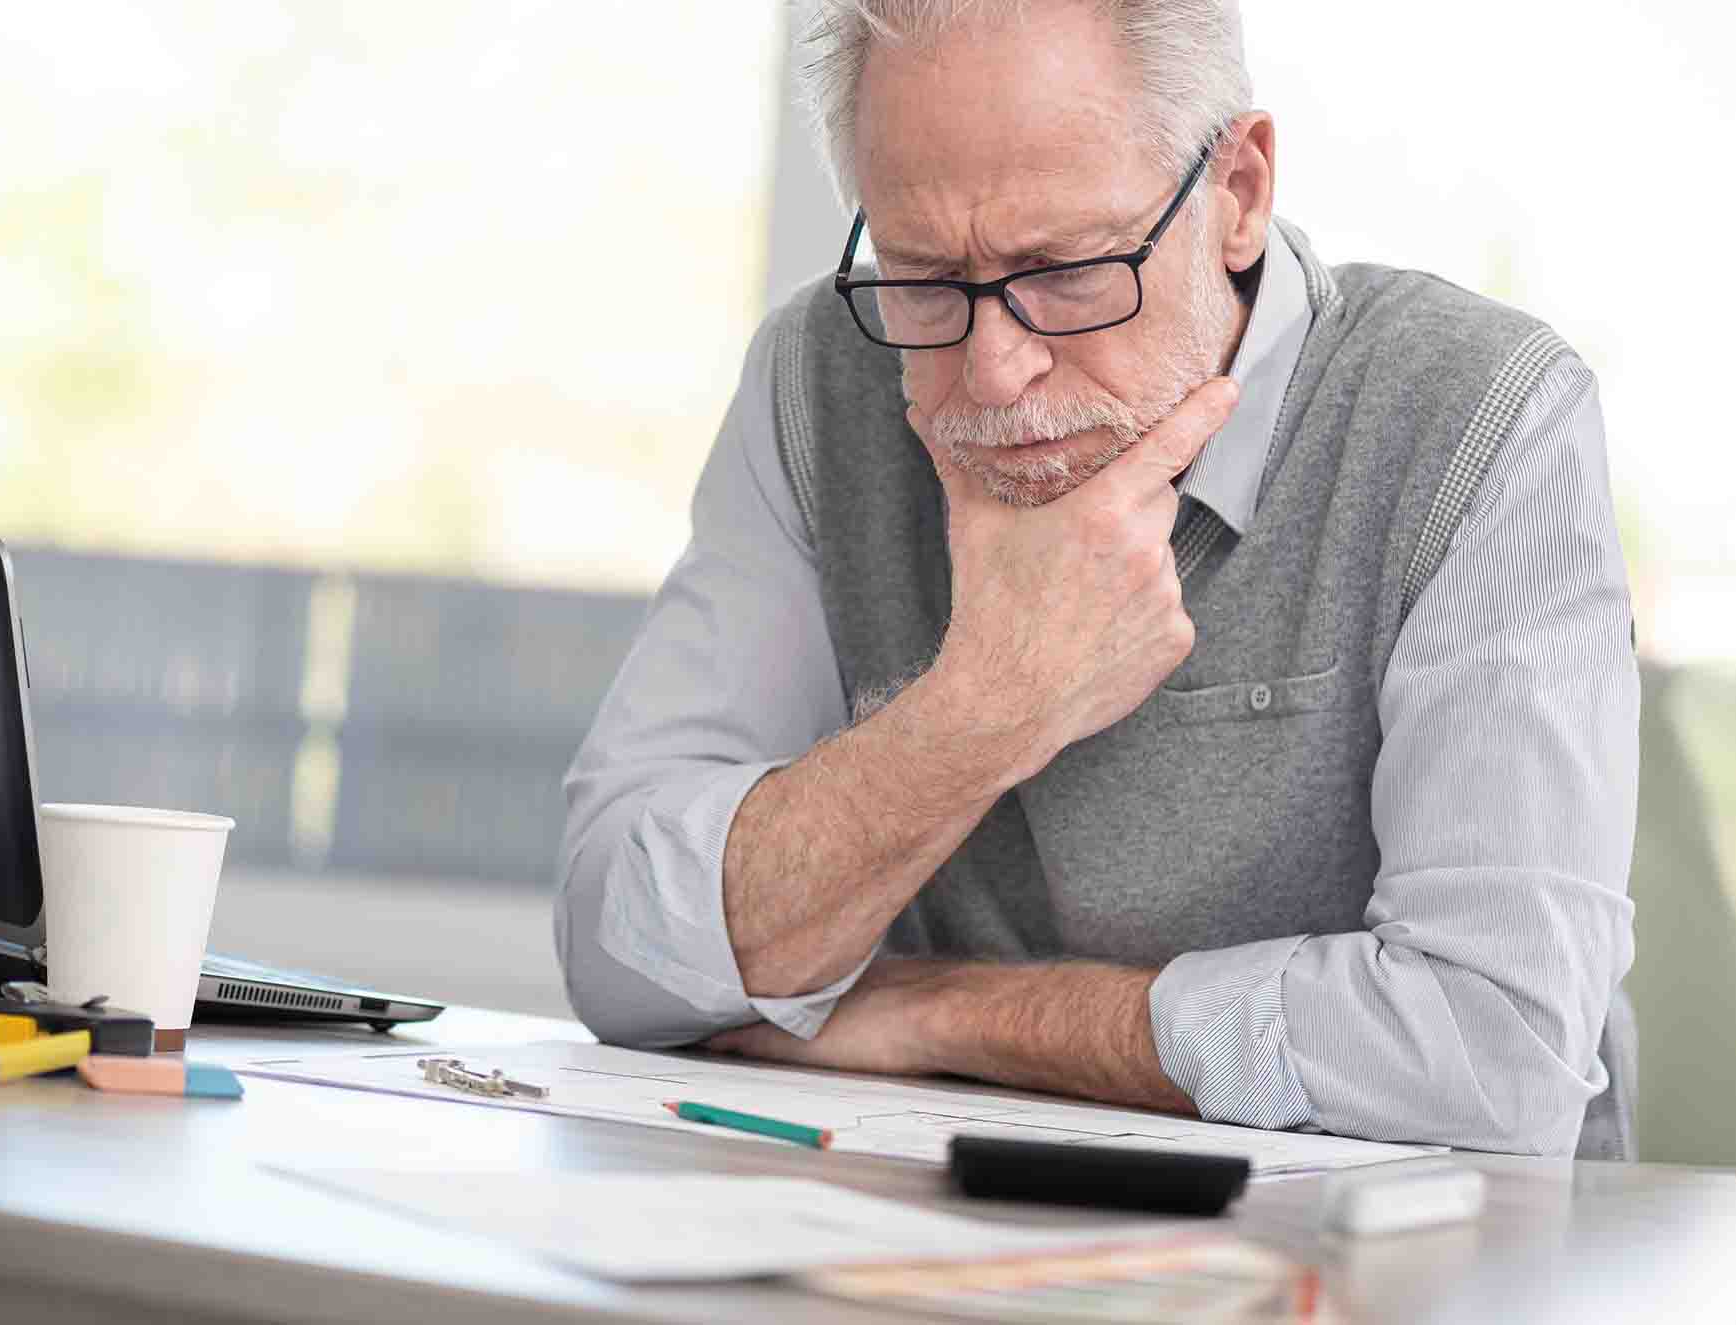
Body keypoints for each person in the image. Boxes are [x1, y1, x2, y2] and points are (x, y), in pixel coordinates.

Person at [554, 0, 1639, 1158]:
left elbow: (1493, 1052)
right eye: (923, 277)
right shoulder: (821, 376)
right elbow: (619, 949)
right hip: (924, 1240)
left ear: (1238, 192)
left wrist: (947, 1015)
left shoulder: (1476, 415)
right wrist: (987, 704)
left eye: (1064, 270)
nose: (994, 371)